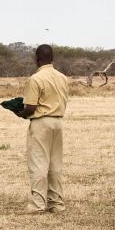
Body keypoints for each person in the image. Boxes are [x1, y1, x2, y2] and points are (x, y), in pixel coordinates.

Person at [18, 44, 70, 214]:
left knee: (39, 163)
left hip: (41, 123)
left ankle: (38, 204)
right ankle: (56, 203)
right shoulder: (62, 77)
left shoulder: (36, 79)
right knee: (55, 164)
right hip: (58, 122)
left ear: (37, 59)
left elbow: (31, 107)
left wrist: (21, 112)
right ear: (52, 58)